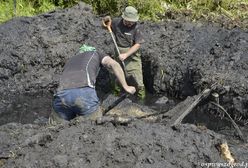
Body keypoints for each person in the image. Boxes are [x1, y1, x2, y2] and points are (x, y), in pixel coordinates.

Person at [52, 44, 136, 121]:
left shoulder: (70, 60)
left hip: (60, 95)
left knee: (57, 129)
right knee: (94, 126)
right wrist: (126, 86)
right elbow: (114, 64)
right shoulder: (96, 53)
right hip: (83, 92)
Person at [103, 6, 146, 101]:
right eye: (128, 21)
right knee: (117, 77)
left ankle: (141, 102)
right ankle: (115, 97)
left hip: (132, 55)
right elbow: (107, 27)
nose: (130, 23)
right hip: (118, 52)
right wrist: (105, 23)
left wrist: (126, 55)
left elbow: (137, 45)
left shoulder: (137, 27)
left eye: (132, 22)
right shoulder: (116, 22)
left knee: (138, 80)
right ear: (124, 18)